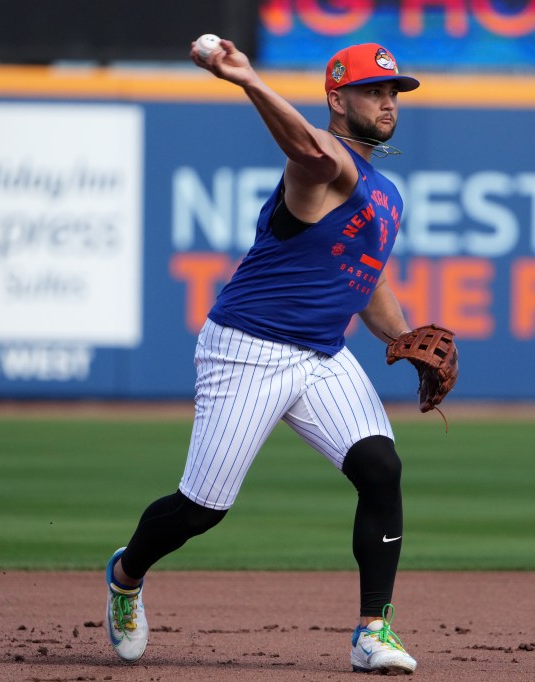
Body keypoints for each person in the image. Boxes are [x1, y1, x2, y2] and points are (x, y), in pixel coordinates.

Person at [104, 39, 427, 675]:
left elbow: (368, 282)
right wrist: (247, 78)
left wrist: (405, 340)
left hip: (322, 356)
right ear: (337, 100)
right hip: (246, 350)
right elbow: (309, 149)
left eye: (393, 91)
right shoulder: (319, 167)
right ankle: (125, 574)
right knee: (201, 509)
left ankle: (372, 631)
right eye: (372, 91)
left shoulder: (386, 192)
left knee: (381, 468)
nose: (387, 101)